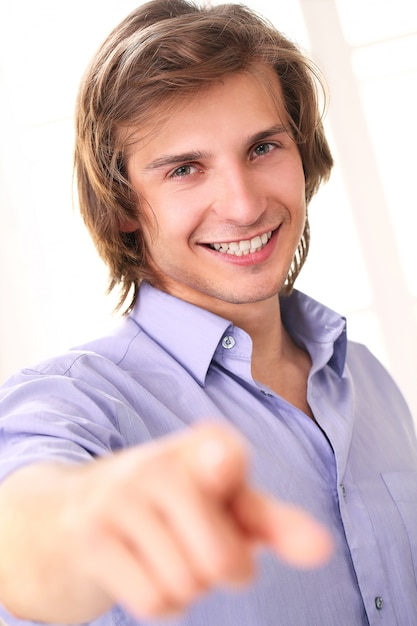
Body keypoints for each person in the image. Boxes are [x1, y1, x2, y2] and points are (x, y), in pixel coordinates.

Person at [0, 0, 416, 624]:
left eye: (262, 148)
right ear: (123, 208)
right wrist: (90, 517)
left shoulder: (366, 376)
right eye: (186, 169)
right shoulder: (76, 404)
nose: (244, 205)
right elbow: (26, 534)